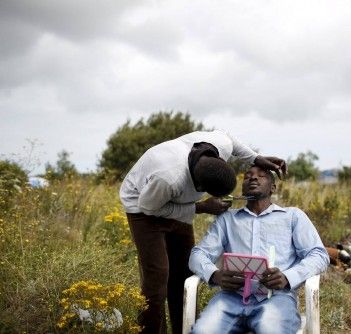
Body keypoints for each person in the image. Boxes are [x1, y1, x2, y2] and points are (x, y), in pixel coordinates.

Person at [119, 130, 287, 334]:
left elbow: (231, 139)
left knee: (183, 274)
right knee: (157, 278)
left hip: (175, 202)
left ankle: (185, 329)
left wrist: (256, 157)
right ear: (196, 186)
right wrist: (200, 207)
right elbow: (148, 207)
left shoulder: (219, 145)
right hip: (143, 207)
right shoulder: (169, 179)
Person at [189, 165, 329, 334]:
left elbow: (319, 255)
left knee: (270, 329)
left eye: (261, 176)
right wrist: (214, 275)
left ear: (273, 187)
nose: (253, 178)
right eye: (248, 176)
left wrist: (287, 277)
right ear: (242, 187)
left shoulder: (292, 216)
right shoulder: (227, 219)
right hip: (231, 297)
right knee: (204, 331)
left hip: (277, 298)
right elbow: (198, 254)